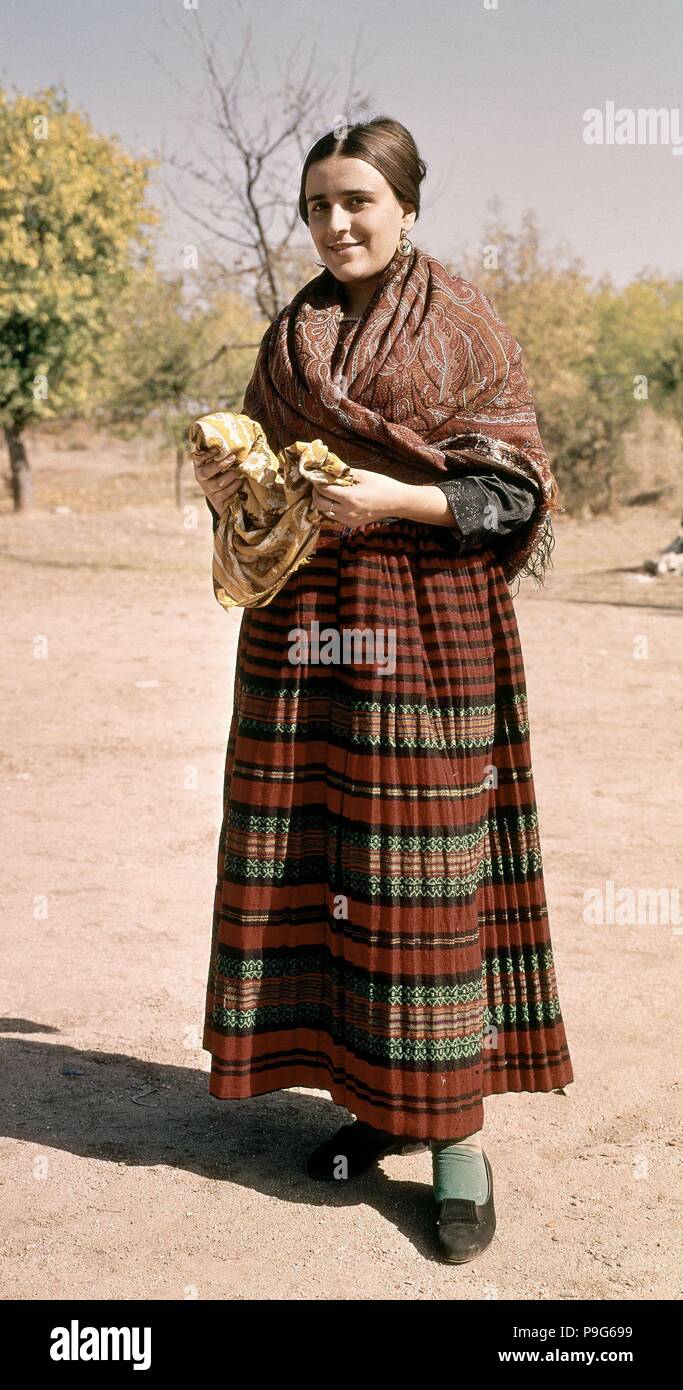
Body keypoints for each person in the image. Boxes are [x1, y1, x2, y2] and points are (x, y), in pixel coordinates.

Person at [195, 116, 574, 1265]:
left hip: (425, 627)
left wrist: (395, 498)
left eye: (356, 199)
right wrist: (227, 481)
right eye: (317, 205)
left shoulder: (457, 322)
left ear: (406, 206)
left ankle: (456, 1139)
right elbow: (263, 484)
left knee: (421, 880)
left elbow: (514, 492)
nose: (335, 223)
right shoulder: (293, 332)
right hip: (302, 629)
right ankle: (374, 1099)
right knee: (332, 865)